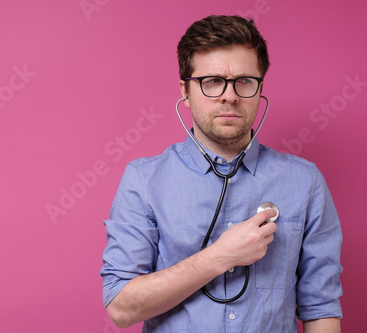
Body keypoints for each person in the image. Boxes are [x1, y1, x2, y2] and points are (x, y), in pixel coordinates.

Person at [100, 15, 343, 332]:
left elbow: (320, 308)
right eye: (212, 81)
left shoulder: (305, 182)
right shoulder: (144, 180)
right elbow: (121, 308)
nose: (230, 95)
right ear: (186, 91)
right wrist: (220, 256)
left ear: (259, 88)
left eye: (244, 81)